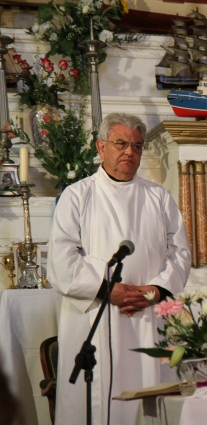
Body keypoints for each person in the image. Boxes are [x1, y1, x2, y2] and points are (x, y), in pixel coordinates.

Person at [48, 113, 191, 425]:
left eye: (137, 146)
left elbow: (180, 253)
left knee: (150, 396)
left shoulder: (158, 197)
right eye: (121, 144)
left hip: (148, 315)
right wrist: (106, 290)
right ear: (101, 147)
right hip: (96, 315)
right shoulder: (77, 195)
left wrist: (157, 290)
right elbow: (61, 261)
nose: (130, 152)